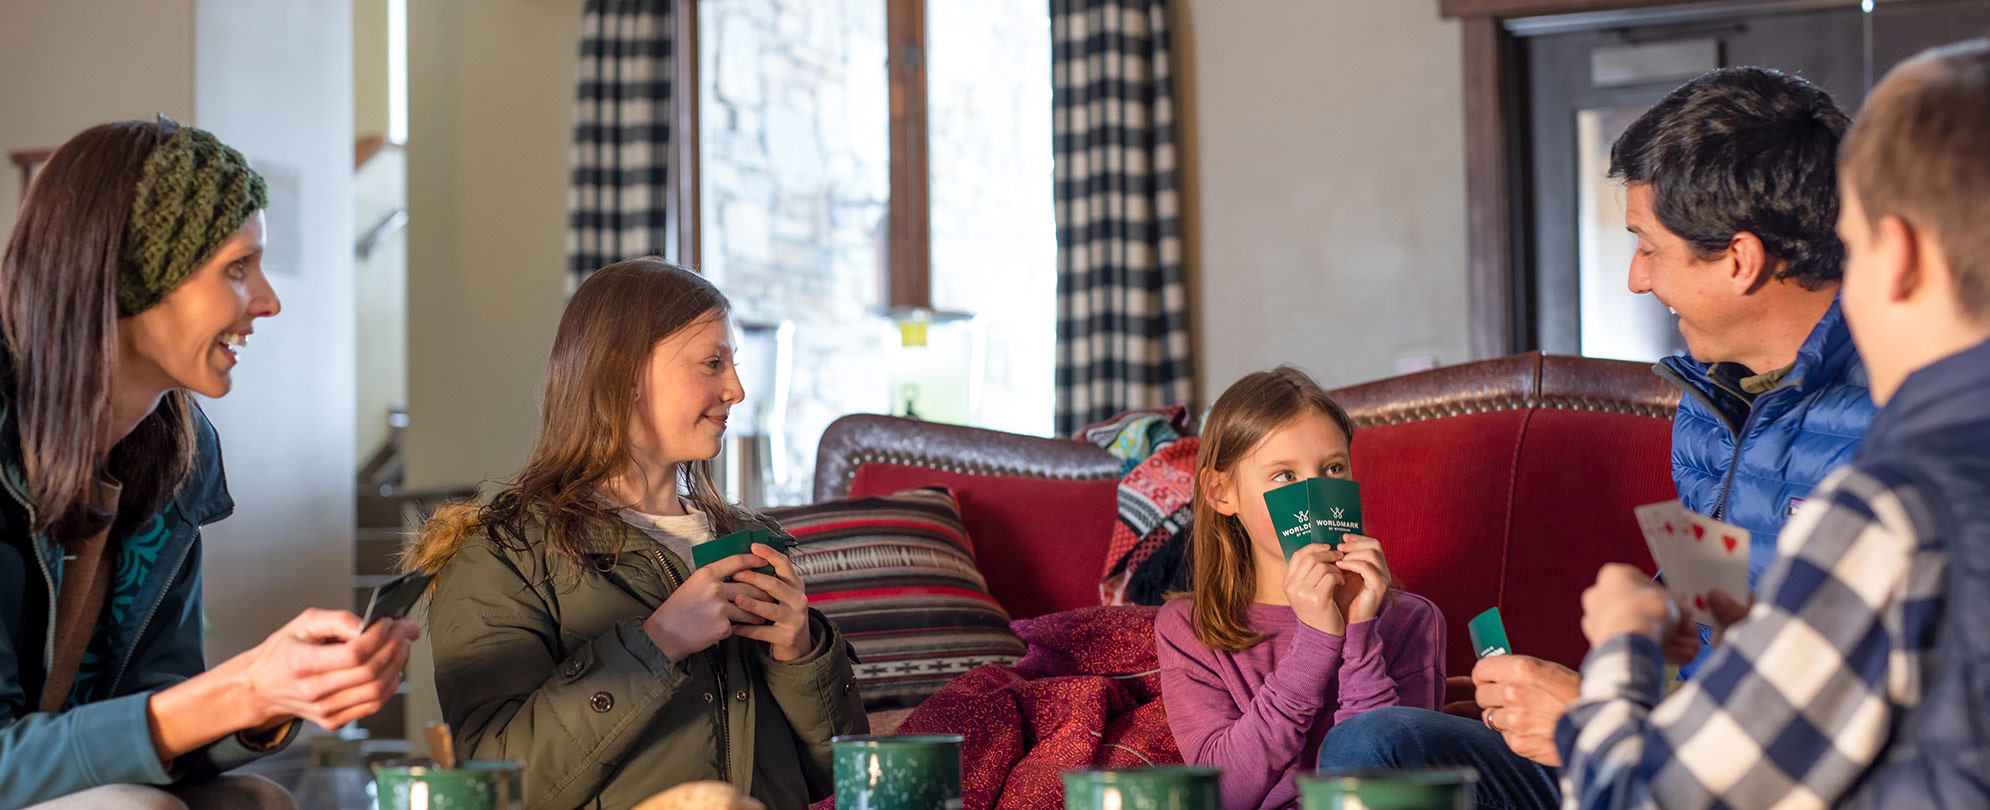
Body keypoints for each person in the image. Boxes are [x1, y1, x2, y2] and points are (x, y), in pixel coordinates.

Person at [1319, 66, 1874, 810]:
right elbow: (1707, 612)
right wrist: (1561, 690)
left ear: (1739, 261)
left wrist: (1598, 714)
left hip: (1772, 780)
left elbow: (1848, 719)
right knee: (1378, 746)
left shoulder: (1898, 420)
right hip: (1663, 751)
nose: (1637, 280)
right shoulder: (1712, 403)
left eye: (1648, 246)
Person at [1559, 40, 1990, 807]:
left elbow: (1638, 797)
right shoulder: (1708, 400)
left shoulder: (1899, 499)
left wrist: (1619, 656)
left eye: (1853, 244)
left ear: (1902, 254)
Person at [0, 117, 419, 809]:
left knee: (258, 801)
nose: (269, 299)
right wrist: (242, 685)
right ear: (132, 275)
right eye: (235, 267)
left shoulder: (177, 459)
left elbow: (152, 717)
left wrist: (270, 701)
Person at [408, 258, 867, 810]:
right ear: (623, 376)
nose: (737, 390)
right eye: (712, 362)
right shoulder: (501, 560)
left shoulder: (753, 543)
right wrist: (657, 643)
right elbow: (497, 786)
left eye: (733, 364)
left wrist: (803, 656)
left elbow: (838, 777)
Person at [1155, 366, 1444, 810]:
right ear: (1220, 493)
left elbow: (1394, 792)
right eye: (1284, 477)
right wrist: (1316, 641)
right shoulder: (1189, 628)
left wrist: (1359, 630)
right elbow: (1222, 795)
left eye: (1332, 468)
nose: (1315, 496)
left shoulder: (1414, 621)